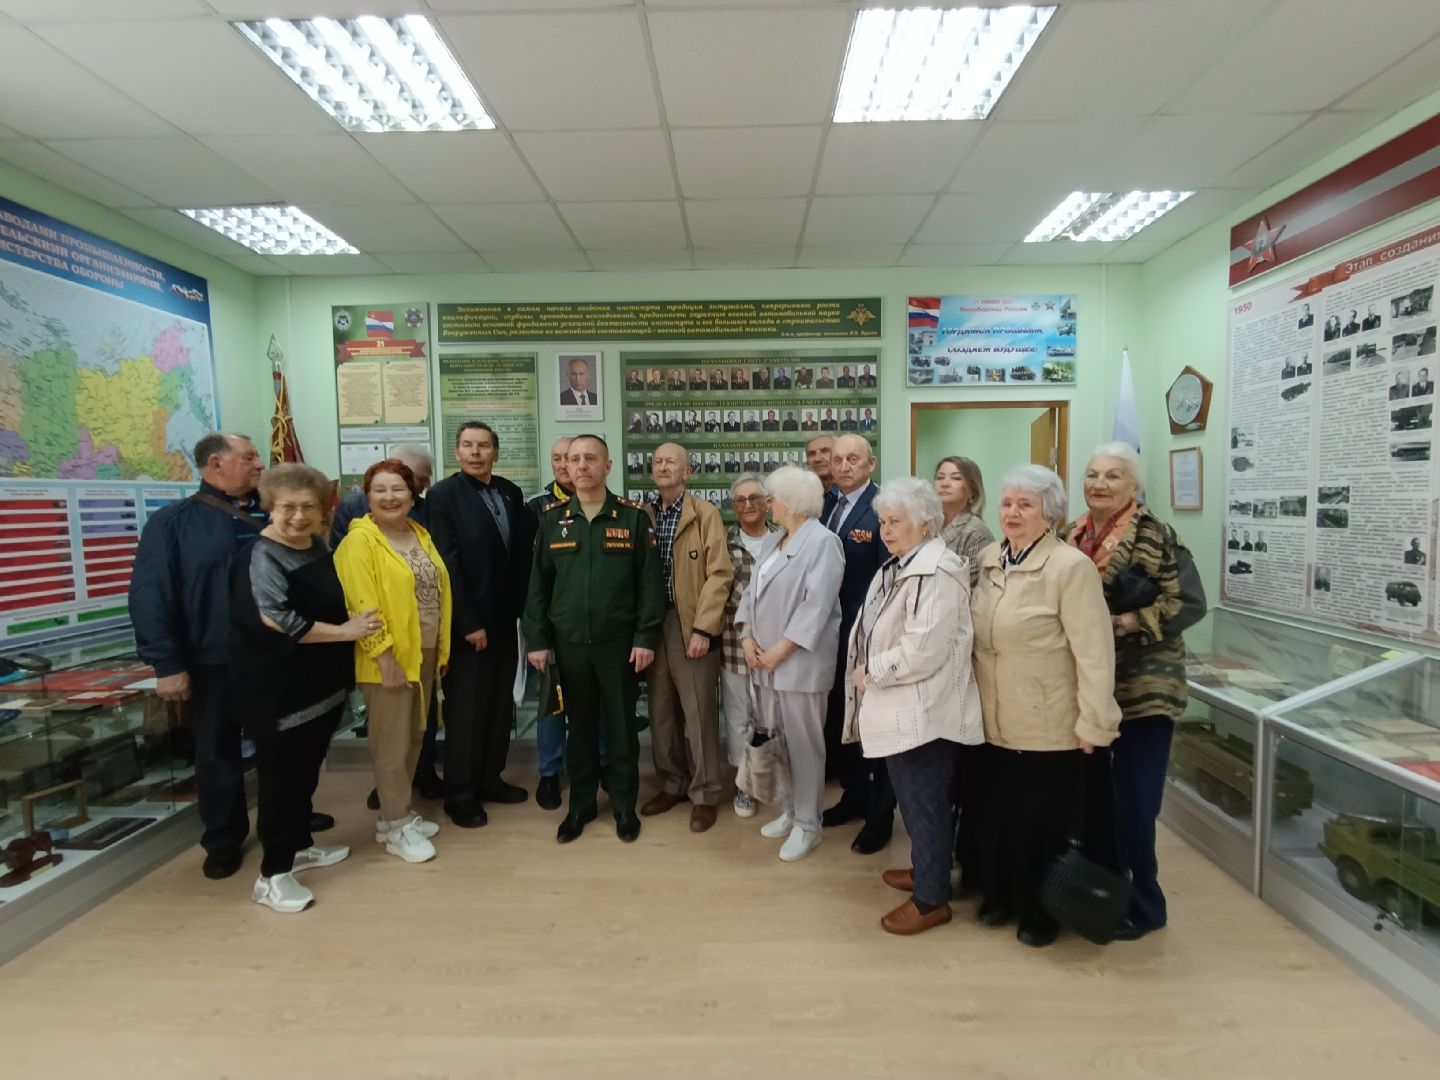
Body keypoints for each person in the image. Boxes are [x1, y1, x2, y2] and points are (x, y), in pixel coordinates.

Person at [131, 432, 308, 881]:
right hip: (214, 659)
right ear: (216, 464)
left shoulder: (278, 516)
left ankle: (290, 826)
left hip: (275, 657)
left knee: (285, 749)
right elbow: (151, 594)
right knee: (217, 752)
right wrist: (166, 664)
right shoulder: (174, 524)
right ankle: (224, 840)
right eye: (248, 457)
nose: (257, 465)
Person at [971, 464, 1121, 947]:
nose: (1012, 512)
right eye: (1007, 503)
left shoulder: (1070, 567)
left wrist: (1095, 722)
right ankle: (1002, 896)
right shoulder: (992, 557)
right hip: (993, 719)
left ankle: (1040, 912)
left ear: (1050, 514)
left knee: (1042, 824)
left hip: (1048, 721)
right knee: (998, 817)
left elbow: (1095, 653)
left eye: (1025, 505)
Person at [843, 478, 983, 935]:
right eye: (882, 521)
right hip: (904, 706)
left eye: (895, 521)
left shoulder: (937, 571)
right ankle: (930, 872)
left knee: (924, 805)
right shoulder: (906, 562)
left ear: (925, 523)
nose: (885, 530)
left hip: (924, 712)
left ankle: (931, 900)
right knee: (915, 801)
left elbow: (924, 650)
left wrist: (871, 672)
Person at [1060, 444, 1188, 942]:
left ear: (1133, 486)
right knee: (1097, 802)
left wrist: (1132, 620)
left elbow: (1189, 602)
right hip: (1093, 687)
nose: (1100, 484)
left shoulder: (1157, 535)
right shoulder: (1073, 533)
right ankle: (1104, 892)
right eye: (1092, 475)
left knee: (1136, 803)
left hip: (1144, 688)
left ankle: (1147, 904)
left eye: (1113, 476)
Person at [230, 463, 368, 913]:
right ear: (269, 506)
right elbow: (277, 620)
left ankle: (299, 846)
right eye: (287, 507)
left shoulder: (315, 544)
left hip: (319, 686)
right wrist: (346, 633)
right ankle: (272, 875)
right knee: (282, 782)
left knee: (306, 773)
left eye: (308, 507)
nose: (297, 516)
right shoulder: (260, 556)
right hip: (279, 688)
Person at [523, 435, 664, 844]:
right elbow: (538, 587)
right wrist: (537, 639)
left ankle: (623, 805)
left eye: (590, 458)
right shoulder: (552, 519)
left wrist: (645, 636)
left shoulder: (633, 517)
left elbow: (649, 584)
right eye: (573, 459)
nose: (580, 465)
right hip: (568, 645)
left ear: (608, 465)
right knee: (578, 729)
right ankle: (580, 806)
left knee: (621, 728)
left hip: (619, 644)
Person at [335, 459, 451, 863]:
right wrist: (384, 658)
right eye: (380, 490)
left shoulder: (418, 533)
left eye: (397, 489)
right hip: (389, 657)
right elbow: (361, 606)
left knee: (416, 735)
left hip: (425, 651)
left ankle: (393, 817)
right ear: (367, 496)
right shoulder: (359, 542)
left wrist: (441, 652)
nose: (389, 497)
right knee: (391, 744)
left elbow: (436, 594)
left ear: (412, 493)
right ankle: (398, 826)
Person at [426, 422, 536, 827]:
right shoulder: (442, 496)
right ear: (456, 452)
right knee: (467, 711)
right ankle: (460, 793)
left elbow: (519, 558)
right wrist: (468, 621)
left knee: (497, 704)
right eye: (468, 446)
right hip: (468, 625)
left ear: (496, 452)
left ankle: (490, 777)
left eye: (483, 446)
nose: (476, 452)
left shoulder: (510, 491)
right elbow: (447, 562)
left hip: (506, 621)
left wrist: (525, 613)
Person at [735, 466, 843, 862]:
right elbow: (750, 593)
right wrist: (746, 636)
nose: (767, 503)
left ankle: (809, 825)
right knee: (780, 743)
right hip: (765, 664)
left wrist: (781, 649)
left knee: (806, 747)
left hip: (798, 665)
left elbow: (817, 606)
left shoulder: (824, 543)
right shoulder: (775, 540)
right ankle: (791, 811)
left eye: (772, 497)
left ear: (793, 501)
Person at [639, 445, 733, 832]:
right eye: (657, 461)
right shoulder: (642, 514)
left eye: (670, 462)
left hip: (689, 623)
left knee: (698, 715)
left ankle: (706, 792)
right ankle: (672, 782)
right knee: (660, 711)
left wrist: (703, 629)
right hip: (651, 624)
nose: (662, 467)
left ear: (688, 472)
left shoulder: (704, 514)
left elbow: (720, 574)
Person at [820, 434, 893, 854]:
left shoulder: (882, 508)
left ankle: (880, 816)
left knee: (873, 729)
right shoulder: (827, 506)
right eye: (838, 459)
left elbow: (888, 578)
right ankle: (854, 796)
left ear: (870, 464)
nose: (844, 465)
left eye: (853, 459)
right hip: (830, 638)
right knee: (841, 723)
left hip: (868, 638)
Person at [721, 473, 777, 819]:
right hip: (734, 646)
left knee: (774, 718)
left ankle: (775, 781)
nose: (747, 505)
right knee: (739, 718)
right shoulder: (724, 541)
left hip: (778, 649)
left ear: (767, 501)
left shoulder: (785, 540)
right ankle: (744, 785)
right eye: (740, 500)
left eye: (754, 498)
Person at [526, 439, 576, 811]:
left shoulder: (612, 508)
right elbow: (533, 581)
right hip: (553, 628)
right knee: (551, 705)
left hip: (596, 632)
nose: (565, 465)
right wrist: (536, 636)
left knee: (600, 707)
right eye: (557, 457)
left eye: (572, 458)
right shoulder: (537, 511)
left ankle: (600, 765)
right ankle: (549, 773)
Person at [331, 443, 433, 547]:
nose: (428, 485)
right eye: (422, 479)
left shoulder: (426, 509)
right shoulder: (351, 508)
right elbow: (338, 554)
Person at [806, 433, 838, 522]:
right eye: (812, 454)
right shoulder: (803, 500)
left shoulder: (851, 494)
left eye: (825, 451)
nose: (817, 459)